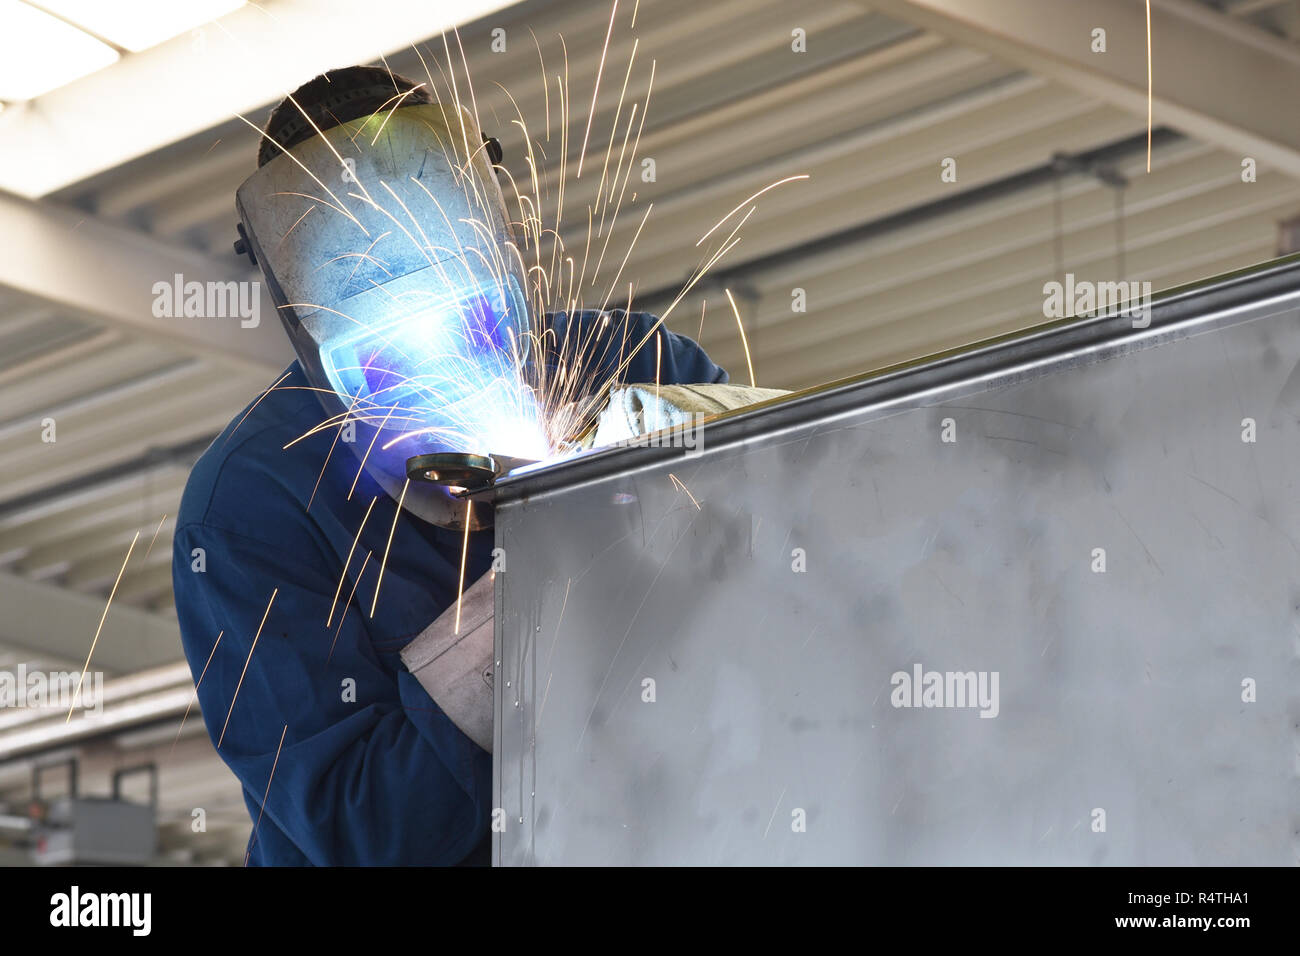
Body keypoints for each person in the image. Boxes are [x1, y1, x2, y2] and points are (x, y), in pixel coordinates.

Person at [171, 65, 726, 866]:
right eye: (384, 356)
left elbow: (789, 568)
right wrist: (541, 589)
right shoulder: (249, 503)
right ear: (309, 314)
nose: (438, 369)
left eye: (471, 319)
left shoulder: (633, 365)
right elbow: (365, 833)